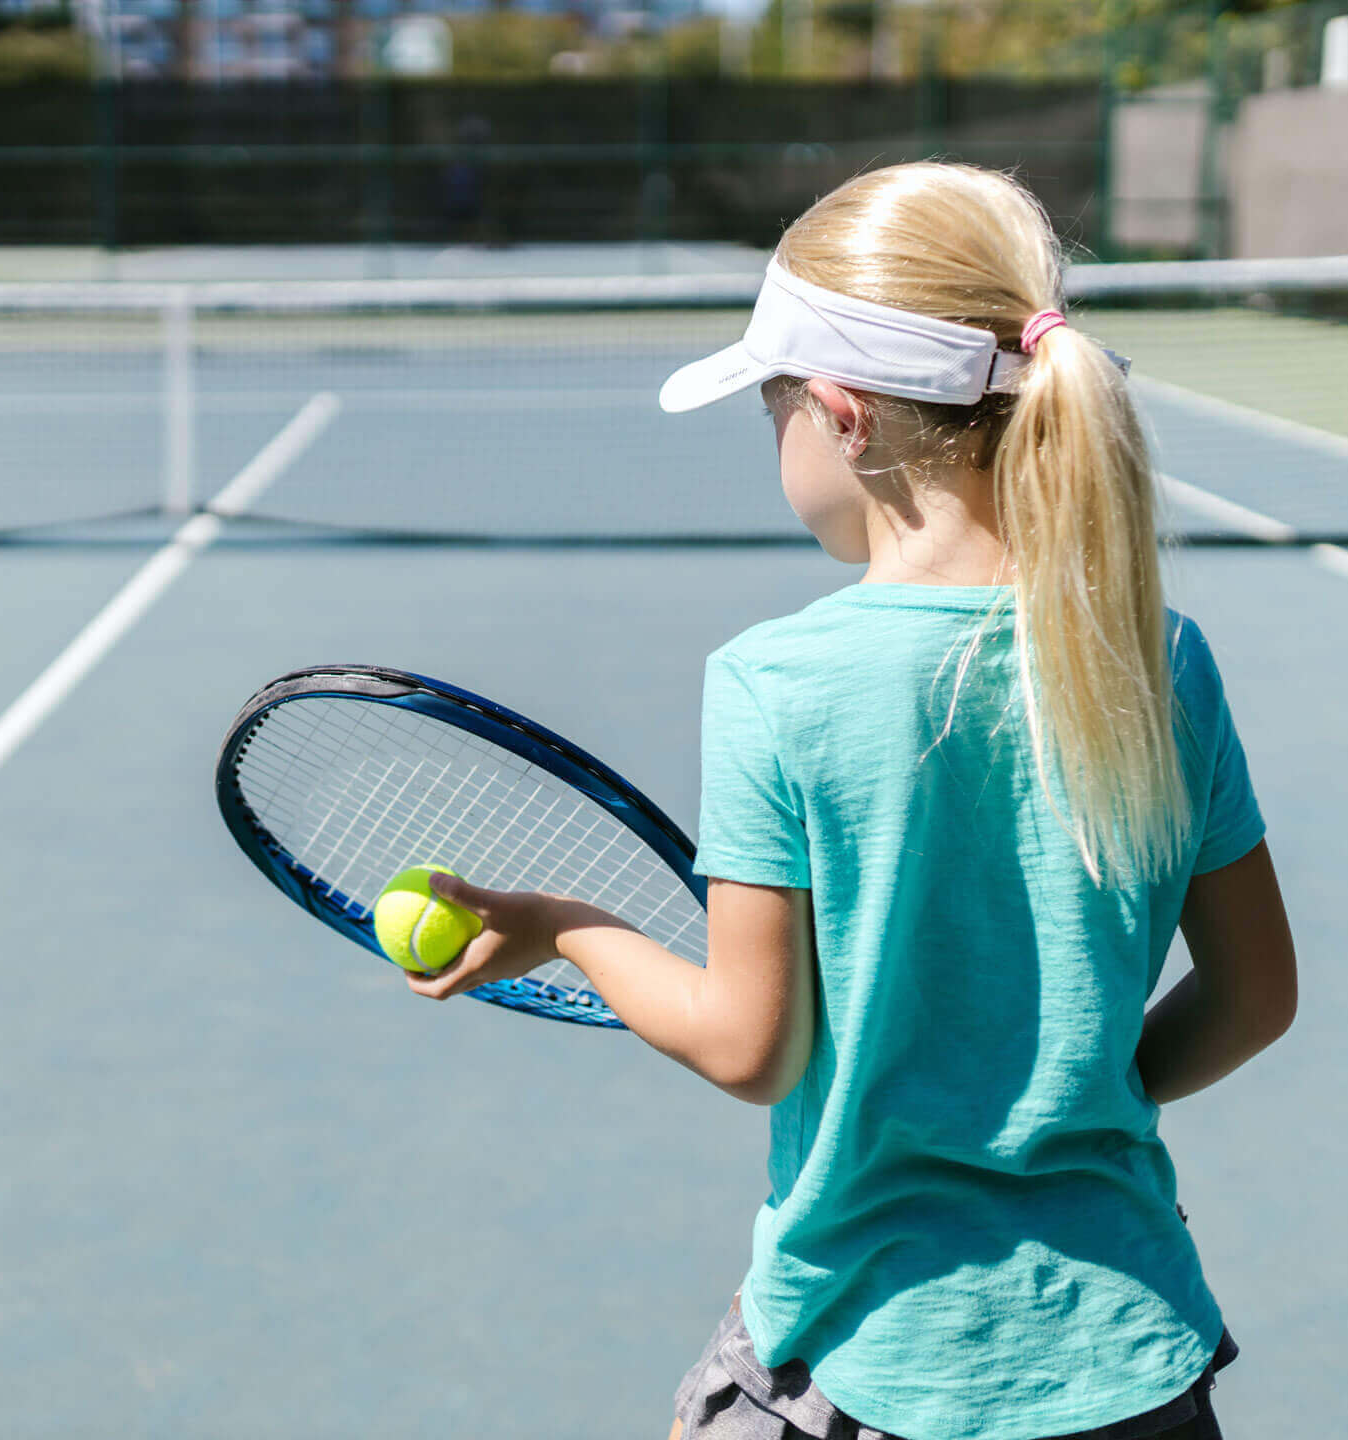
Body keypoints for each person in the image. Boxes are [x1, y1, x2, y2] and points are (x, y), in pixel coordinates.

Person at [407, 162, 1298, 1440]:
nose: (771, 431)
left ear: (843, 415)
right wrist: (1077, 1095)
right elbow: (1258, 997)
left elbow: (751, 1045)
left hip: (875, 1360)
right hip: (1134, 1359)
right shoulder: (1164, 658)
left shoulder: (776, 685)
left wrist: (564, 927)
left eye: (771, 403)